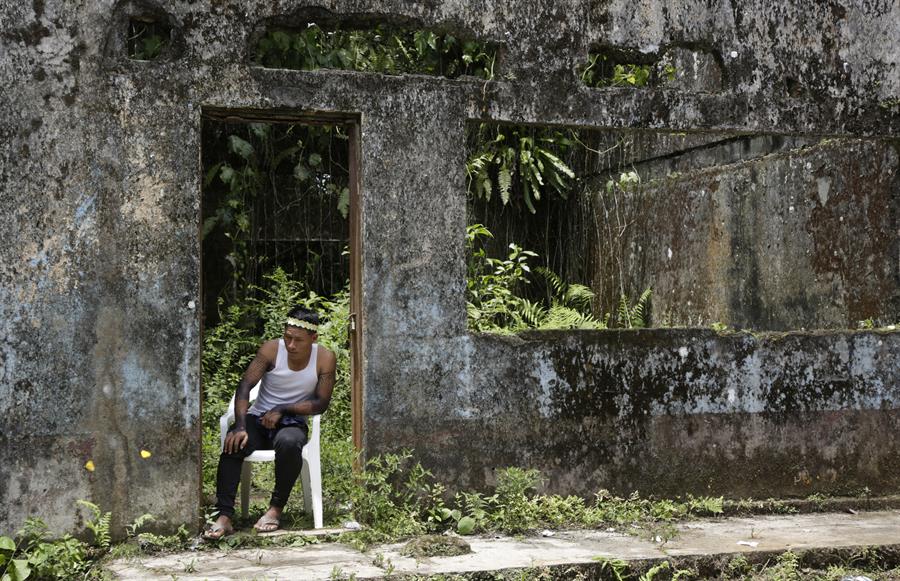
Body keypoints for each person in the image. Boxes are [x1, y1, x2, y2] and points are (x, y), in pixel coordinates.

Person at [203, 306, 337, 539]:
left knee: (290, 443)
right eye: (287, 337)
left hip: (292, 422)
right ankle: (224, 516)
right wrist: (242, 426)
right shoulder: (272, 350)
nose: (291, 345)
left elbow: (320, 403)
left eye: (298, 340)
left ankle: (275, 509)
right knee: (233, 442)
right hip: (258, 419)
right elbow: (245, 386)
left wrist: (283, 409)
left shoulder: (324, 358)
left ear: (313, 338)